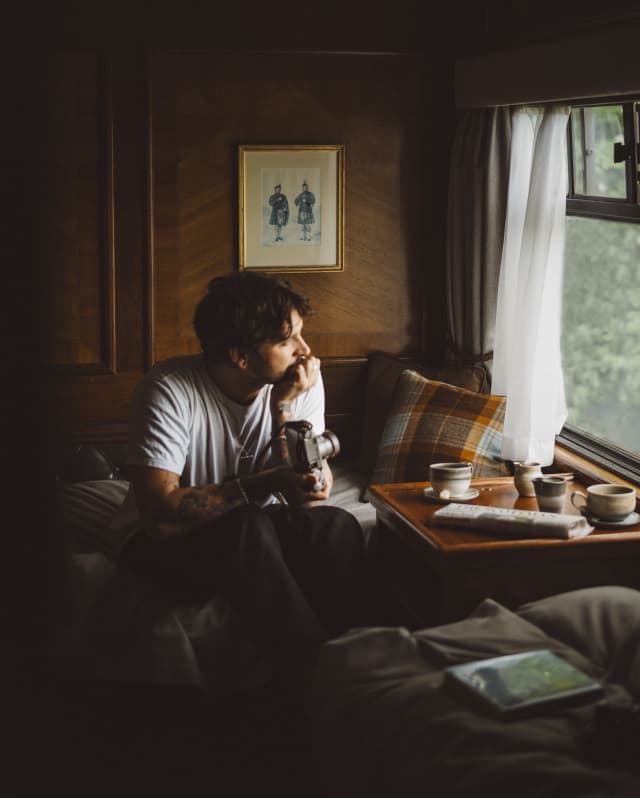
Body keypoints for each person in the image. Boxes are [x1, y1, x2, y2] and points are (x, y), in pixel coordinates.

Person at [117, 271, 366, 692]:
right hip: (159, 543)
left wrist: (283, 407)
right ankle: (319, 682)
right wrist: (265, 483)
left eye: (301, 335)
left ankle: (348, 659)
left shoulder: (297, 383)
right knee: (244, 524)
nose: (305, 352)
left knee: (335, 526)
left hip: (254, 532)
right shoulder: (169, 388)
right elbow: (159, 517)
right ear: (241, 356)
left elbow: (304, 500)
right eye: (288, 342)